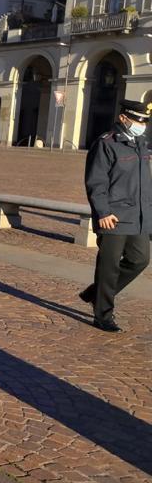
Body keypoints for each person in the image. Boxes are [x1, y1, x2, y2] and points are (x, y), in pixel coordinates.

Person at [79, 99, 152, 332]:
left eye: (146, 121)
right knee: (109, 267)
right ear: (124, 118)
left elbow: (143, 183)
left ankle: (95, 292)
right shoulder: (106, 143)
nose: (143, 125)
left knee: (140, 259)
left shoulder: (140, 142)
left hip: (138, 216)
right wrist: (103, 212)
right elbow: (96, 181)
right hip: (113, 216)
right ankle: (103, 315)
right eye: (139, 120)